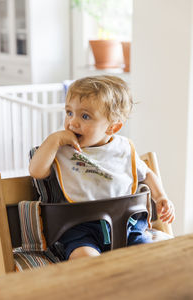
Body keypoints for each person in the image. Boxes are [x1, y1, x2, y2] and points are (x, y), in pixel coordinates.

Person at [29, 75, 175, 260]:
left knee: (152, 256)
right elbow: (36, 171)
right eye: (69, 112)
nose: (72, 122)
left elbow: (147, 174)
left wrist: (161, 197)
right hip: (80, 230)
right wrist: (54, 139)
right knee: (84, 258)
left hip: (127, 228)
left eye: (85, 116)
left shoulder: (122, 149)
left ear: (112, 128)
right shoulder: (60, 150)